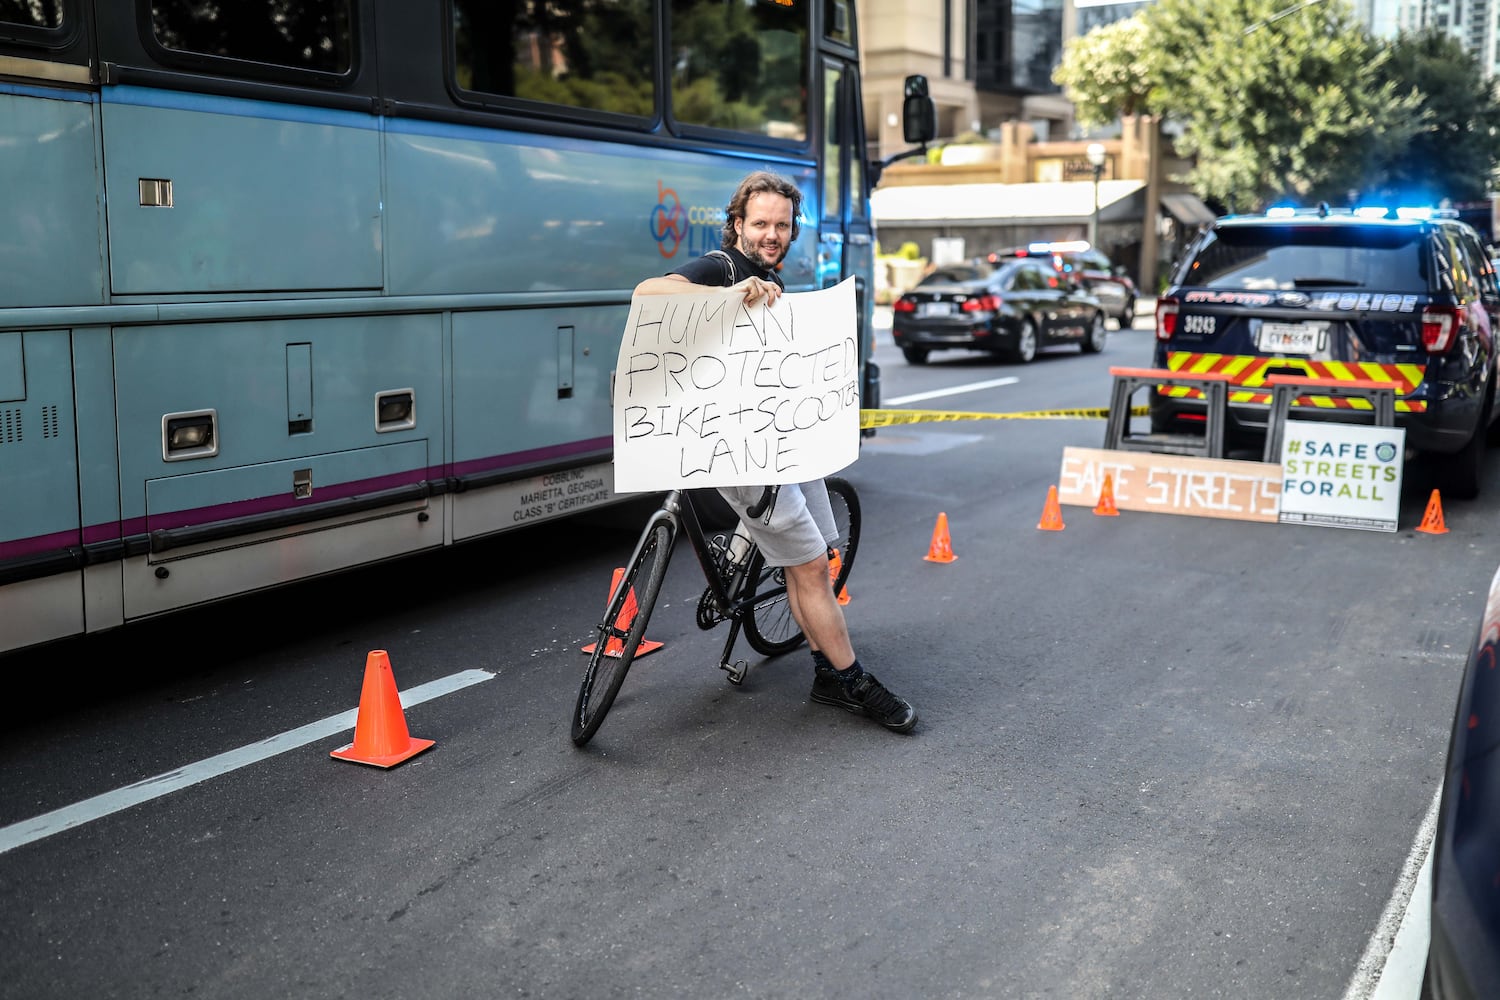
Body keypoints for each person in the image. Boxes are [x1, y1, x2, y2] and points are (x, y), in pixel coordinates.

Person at [632, 171, 917, 734]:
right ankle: (847, 679)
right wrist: (730, 292)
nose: (771, 233)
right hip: (741, 452)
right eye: (760, 223)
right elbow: (647, 292)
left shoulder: (771, 274)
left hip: (781, 442)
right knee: (810, 566)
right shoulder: (724, 267)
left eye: (781, 225)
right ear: (738, 224)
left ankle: (819, 657)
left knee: (819, 549)